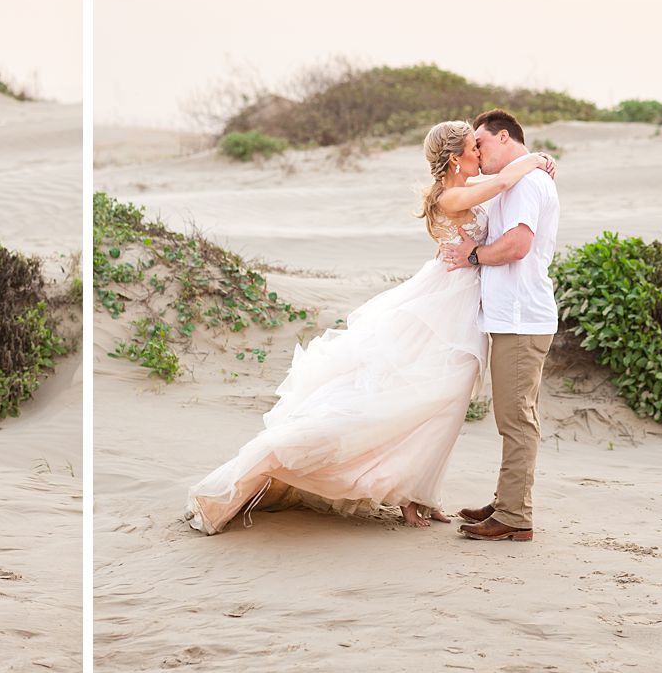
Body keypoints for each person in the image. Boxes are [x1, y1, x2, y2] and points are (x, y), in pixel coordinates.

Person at [186, 119, 555, 534]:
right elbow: (504, 181)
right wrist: (537, 159)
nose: (479, 153)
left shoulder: (472, 189)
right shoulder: (455, 195)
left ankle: (420, 493)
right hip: (445, 305)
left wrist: (531, 165)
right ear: (456, 158)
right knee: (419, 397)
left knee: (443, 405)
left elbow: (506, 194)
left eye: (481, 143)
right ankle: (403, 493)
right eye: (474, 146)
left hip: (469, 307)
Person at [436, 109, 563, 542]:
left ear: (504, 137)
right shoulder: (514, 180)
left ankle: (514, 516)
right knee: (513, 414)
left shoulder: (526, 183)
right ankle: (507, 500)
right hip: (511, 315)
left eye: (482, 142)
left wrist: (474, 255)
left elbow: (518, 245)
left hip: (522, 317)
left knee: (516, 419)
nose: (477, 150)